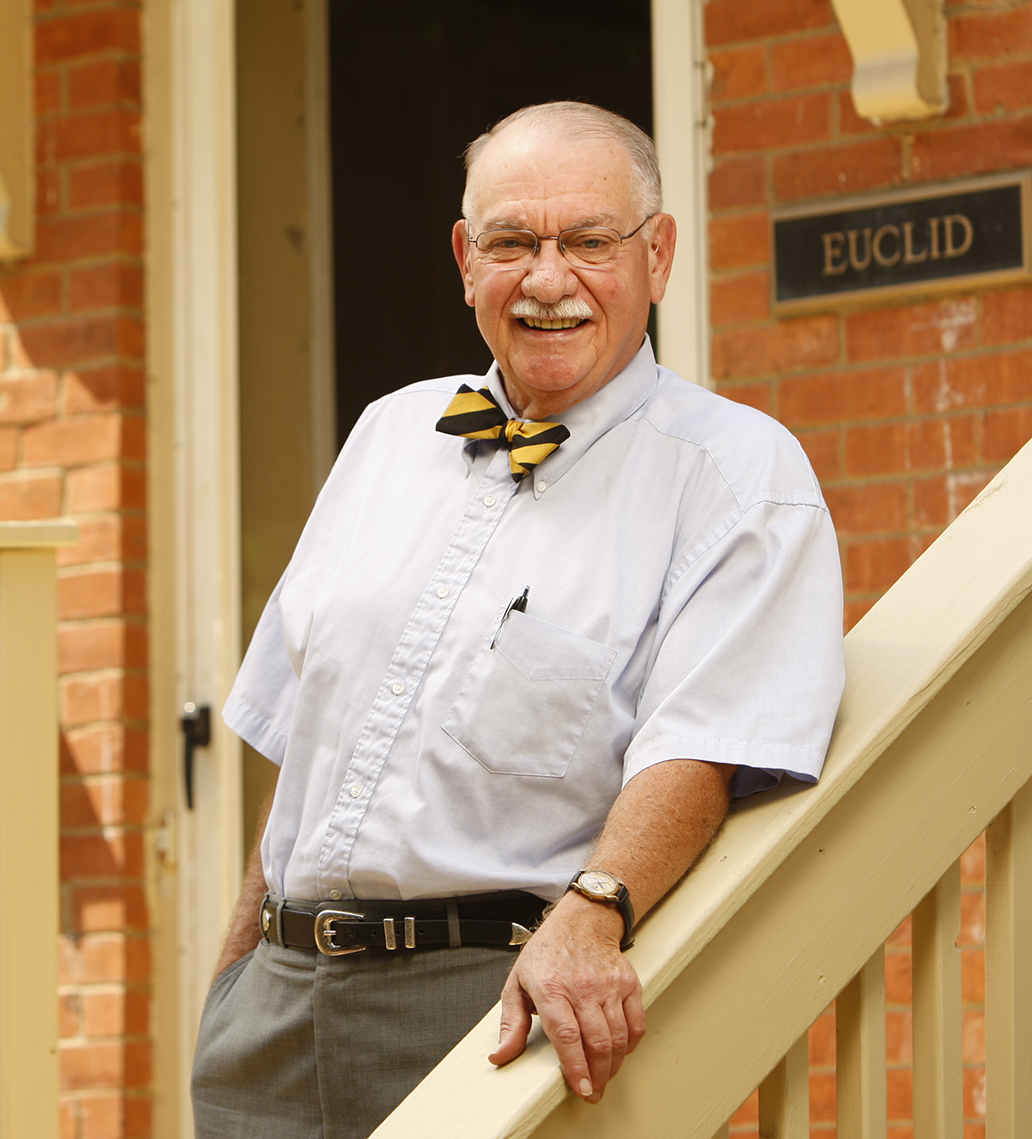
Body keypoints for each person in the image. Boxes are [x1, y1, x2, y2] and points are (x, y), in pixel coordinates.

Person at [191, 102, 845, 1139]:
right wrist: (231, 980)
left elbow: (704, 745)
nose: (547, 279)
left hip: (490, 1009)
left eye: (589, 241)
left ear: (658, 254)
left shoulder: (734, 475)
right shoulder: (387, 433)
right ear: (465, 258)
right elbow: (309, 733)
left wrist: (591, 914)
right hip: (269, 1022)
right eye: (512, 243)